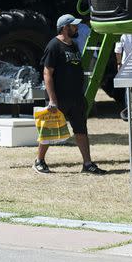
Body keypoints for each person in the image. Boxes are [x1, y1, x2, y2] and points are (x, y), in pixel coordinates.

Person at [34, 14, 106, 175]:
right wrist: (52, 99)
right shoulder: (53, 46)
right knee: (49, 130)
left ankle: (87, 163)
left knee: (81, 129)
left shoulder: (73, 45)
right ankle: (39, 161)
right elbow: (47, 73)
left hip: (76, 98)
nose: (76, 28)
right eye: (73, 26)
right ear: (65, 28)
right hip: (58, 98)